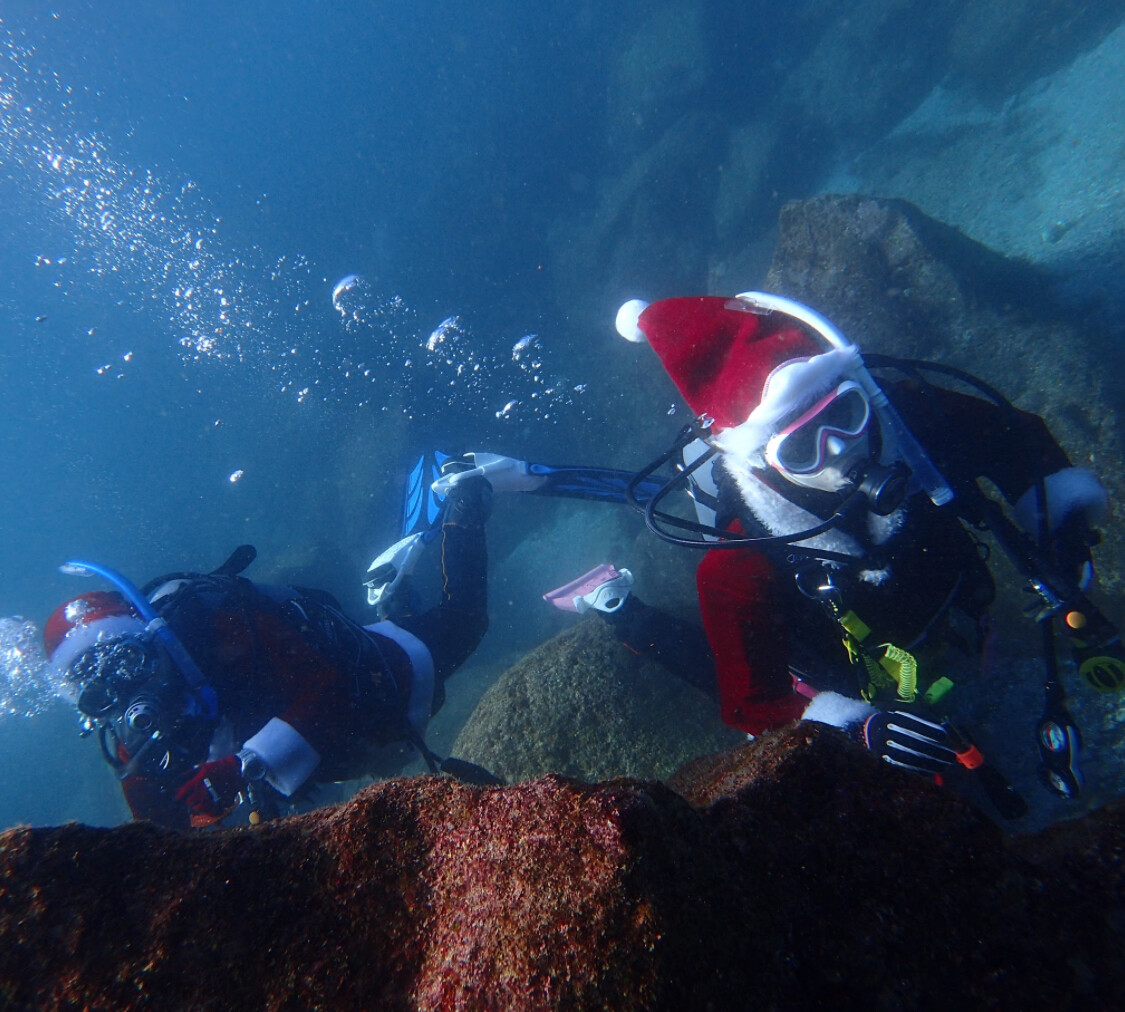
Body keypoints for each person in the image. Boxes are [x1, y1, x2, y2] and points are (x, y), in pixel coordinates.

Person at [448, 293, 1124, 803]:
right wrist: (856, 727)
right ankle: (618, 608)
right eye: (802, 448)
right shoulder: (738, 561)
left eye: (845, 416)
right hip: (830, 649)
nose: (841, 452)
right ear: (760, 459)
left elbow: (1019, 442)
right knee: (713, 663)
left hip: (944, 606)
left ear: (857, 393)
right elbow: (748, 702)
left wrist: (1062, 532)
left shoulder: (907, 416)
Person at [42, 468, 493, 830]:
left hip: (388, 671)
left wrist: (242, 767)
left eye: (126, 659)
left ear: (143, 636)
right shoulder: (133, 735)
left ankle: (465, 497)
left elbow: (329, 689)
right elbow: (157, 832)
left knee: (467, 621)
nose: (127, 689)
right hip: (346, 746)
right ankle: (394, 598)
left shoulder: (217, 626)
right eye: (101, 690)